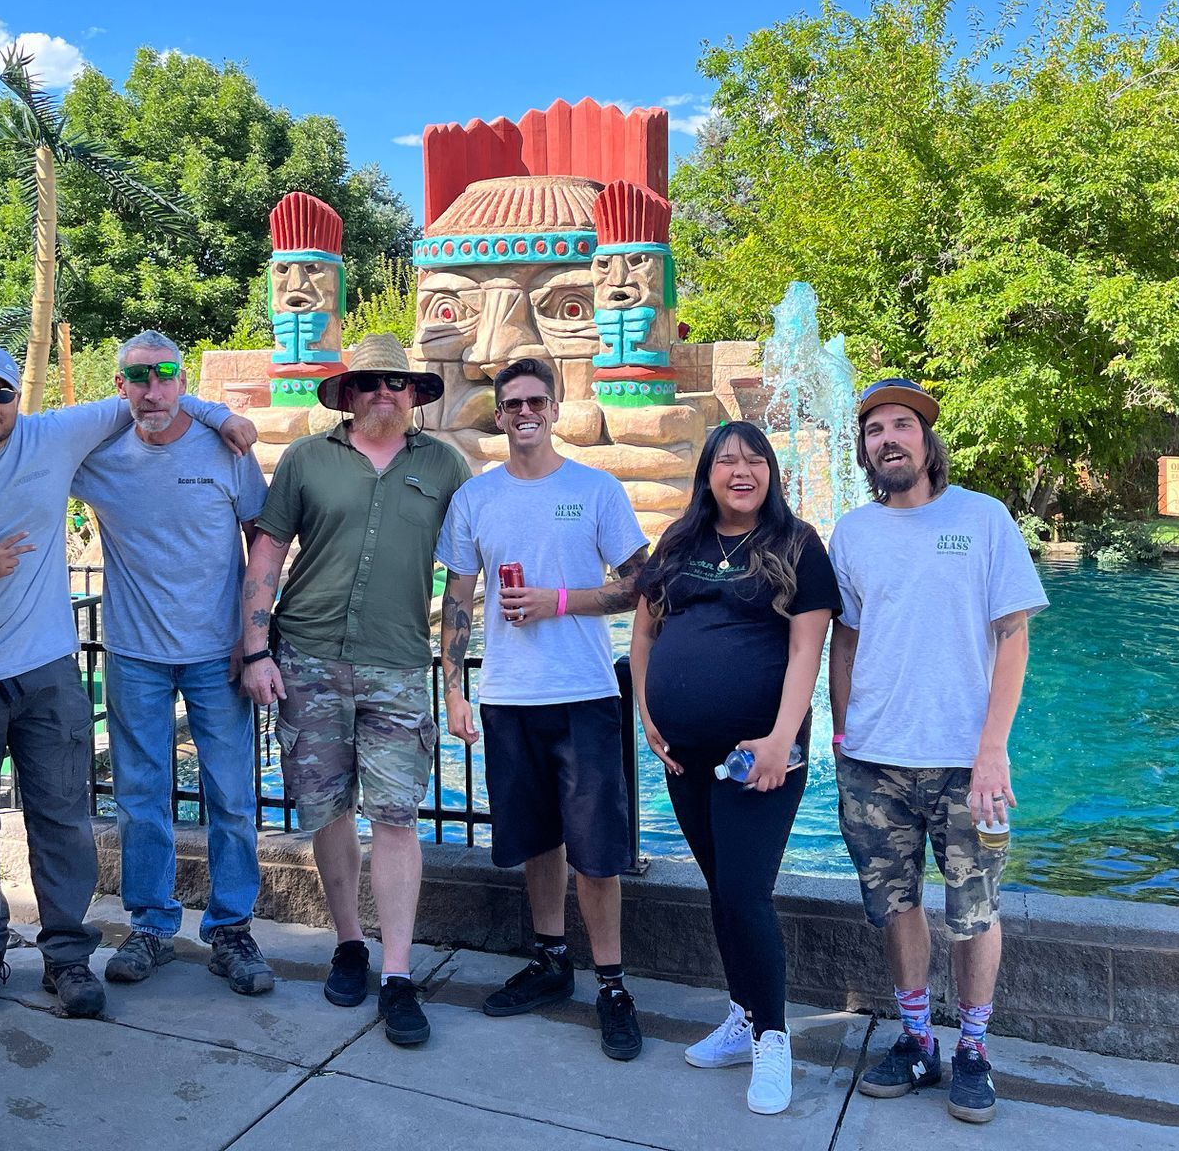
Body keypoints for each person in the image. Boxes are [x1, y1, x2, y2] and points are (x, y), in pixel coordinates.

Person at [0, 346, 253, 1018]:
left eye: (2, 394)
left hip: (45, 672)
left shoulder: (49, 436)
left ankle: (68, 957)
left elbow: (150, 395)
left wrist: (217, 411)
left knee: (64, 819)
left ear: (20, 399)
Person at [238, 333, 468, 1048]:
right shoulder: (308, 459)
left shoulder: (444, 464)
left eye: (396, 384)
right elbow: (268, 554)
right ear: (348, 392)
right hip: (305, 659)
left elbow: (463, 576)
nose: (383, 395)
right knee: (327, 811)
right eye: (369, 383)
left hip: (397, 665)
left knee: (397, 818)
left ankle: (397, 973)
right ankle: (348, 943)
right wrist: (255, 648)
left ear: (414, 394)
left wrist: (454, 681)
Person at [827, 377, 1046, 1126]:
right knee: (894, 907)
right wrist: (840, 732)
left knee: (974, 912)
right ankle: (918, 1038)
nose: (887, 439)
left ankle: (974, 1050)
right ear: (864, 450)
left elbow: (1013, 635)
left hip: (964, 762)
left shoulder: (983, 519)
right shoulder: (852, 533)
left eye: (901, 426)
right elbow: (845, 638)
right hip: (874, 763)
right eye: (874, 430)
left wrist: (994, 750)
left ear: (927, 441)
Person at [436, 356, 651, 1061]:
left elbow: (639, 585)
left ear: (555, 409)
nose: (524, 413)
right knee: (537, 842)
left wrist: (562, 601)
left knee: (597, 854)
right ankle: (553, 959)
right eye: (512, 404)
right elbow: (458, 598)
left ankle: (613, 984)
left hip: (585, 693)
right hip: (508, 697)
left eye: (536, 401)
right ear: (498, 415)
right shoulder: (477, 498)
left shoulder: (596, 491)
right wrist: (454, 689)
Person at [629, 420, 840, 1116]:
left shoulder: (798, 544)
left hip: (761, 755)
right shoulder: (680, 542)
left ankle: (773, 1038)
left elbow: (807, 650)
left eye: (754, 460)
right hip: (684, 755)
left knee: (746, 893)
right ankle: (743, 1015)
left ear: (770, 472)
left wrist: (784, 738)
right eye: (727, 461)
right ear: (707, 475)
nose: (741, 471)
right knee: (722, 890)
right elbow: (645, 628)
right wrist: (650, 715)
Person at [69, 332, 274, 995]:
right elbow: (15, 449)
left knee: (233, 799)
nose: (151, 389)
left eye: (163, 376)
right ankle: (152, 926)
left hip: (219, 654)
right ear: (120, 384)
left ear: (182, 380)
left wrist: (256, 642)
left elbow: (261, 547)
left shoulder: (226, 448)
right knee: (140, 801)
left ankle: (232, 930)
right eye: (137, 377)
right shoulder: (98, 457)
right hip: (136, 655)